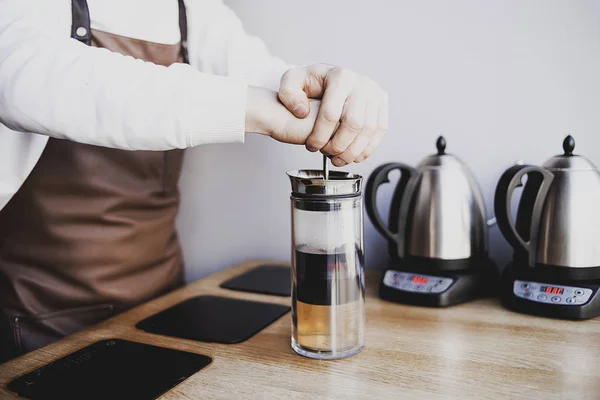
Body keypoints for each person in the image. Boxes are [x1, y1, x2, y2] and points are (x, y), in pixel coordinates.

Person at [0, 0, 388, 363]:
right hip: (39, 315)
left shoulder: (190, 8)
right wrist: (252, 109)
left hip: (162, 301)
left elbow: (271, 81)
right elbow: (22, 78)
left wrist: (338, 94)